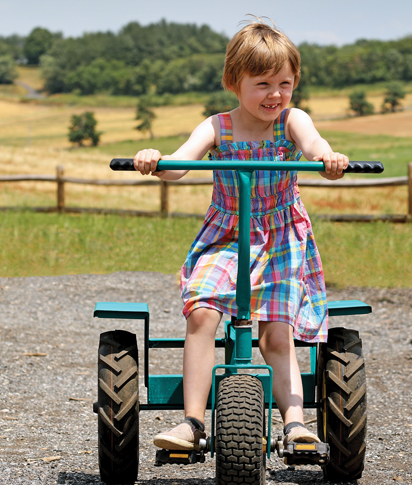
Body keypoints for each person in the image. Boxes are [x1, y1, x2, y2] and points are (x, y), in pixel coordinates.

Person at [133, 19, 349, 451]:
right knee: (201, 314)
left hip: (281, 235)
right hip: (227, 233)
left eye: (284, 83)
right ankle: (192, 423)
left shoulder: (292, 120)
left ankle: (295, 423)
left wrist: (327, 157)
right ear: (235, 82)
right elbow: (179, 164)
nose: (275, 94)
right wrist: (156, 159)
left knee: (276, 330)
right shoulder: (216, 126)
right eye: (263, 83)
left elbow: (313, 145)